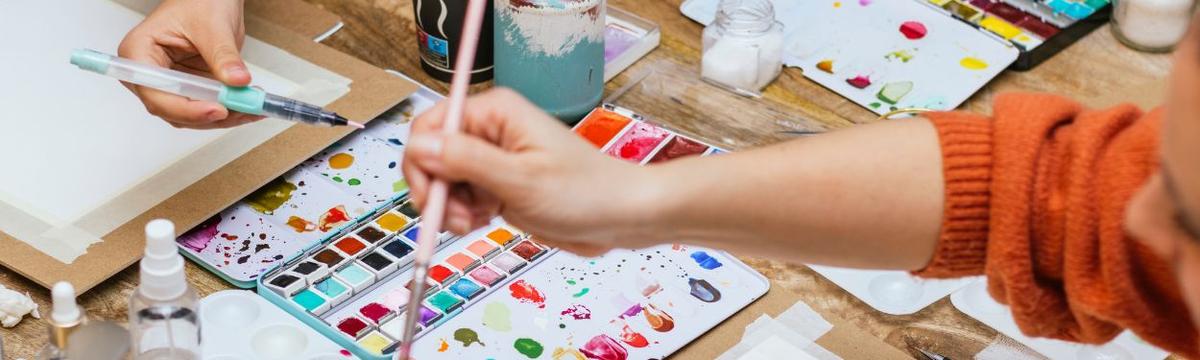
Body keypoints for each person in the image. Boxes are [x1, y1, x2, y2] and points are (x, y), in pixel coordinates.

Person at [123, 0, 1200, 357]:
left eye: (1194, 225)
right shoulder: (1142, 206)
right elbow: (1049, 194)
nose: (1143, 217)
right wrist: (628, 202)